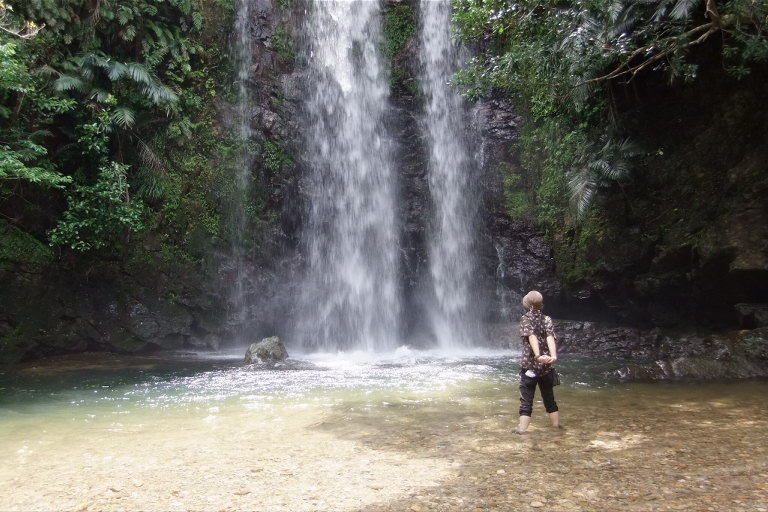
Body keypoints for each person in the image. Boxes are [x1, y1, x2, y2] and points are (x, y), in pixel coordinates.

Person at [514, 290, 560, 434]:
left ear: (527, 304)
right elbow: (550, 337)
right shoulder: (547, 319)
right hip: (546, 367)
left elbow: (531, 336)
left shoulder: (525, 319)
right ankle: (556, 428)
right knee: (550, 400)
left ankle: (521, 431)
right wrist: (553, 356)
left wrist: (538, 355)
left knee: (526, 401)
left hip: (530, 367)